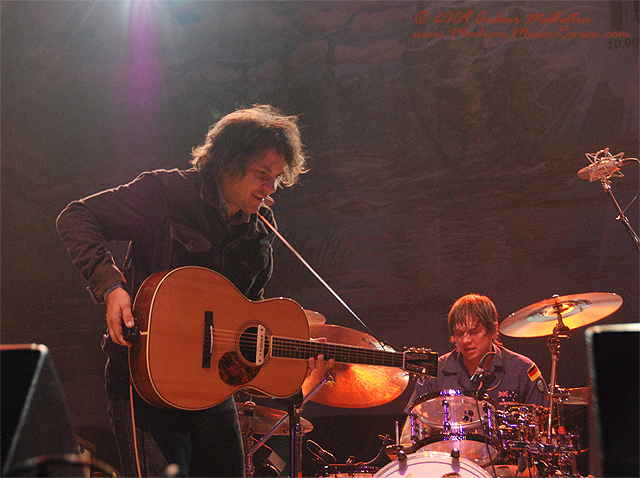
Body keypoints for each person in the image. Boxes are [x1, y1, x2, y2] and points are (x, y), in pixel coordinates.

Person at [56, 105, 331, 477]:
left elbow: (246, 317)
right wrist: (111, 287)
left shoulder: (262, 231)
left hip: (212, 391)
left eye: (278, 177)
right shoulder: (167, 192)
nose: (271, 188)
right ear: (225, 165)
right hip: (144, 379)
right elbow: (76, 217)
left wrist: (295, 357)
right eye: (262, 175)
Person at [401, 293, 547, 444]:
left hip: (508, 464)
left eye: (473, 332)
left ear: (493, 329)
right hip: (450, 462)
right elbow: (409, 436)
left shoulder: (522, 369)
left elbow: (543, 433)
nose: (465, 340)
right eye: (459, 334)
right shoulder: (435, 371)